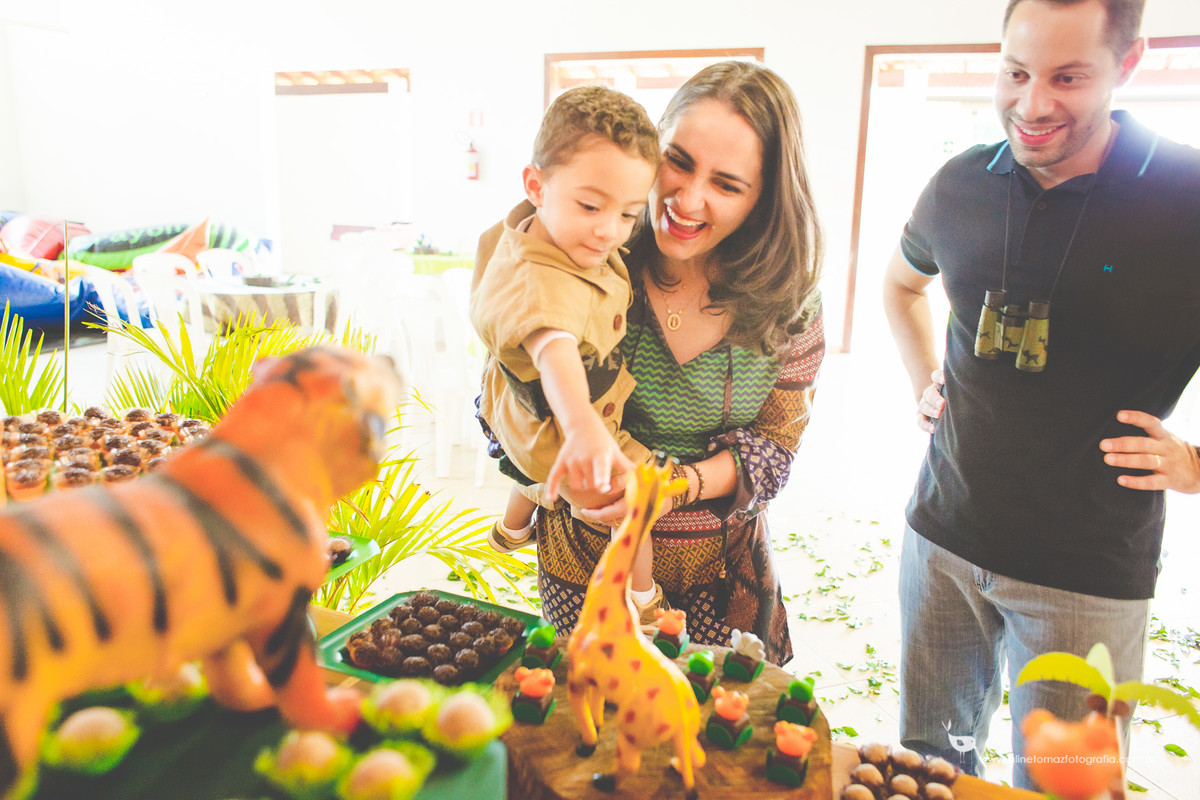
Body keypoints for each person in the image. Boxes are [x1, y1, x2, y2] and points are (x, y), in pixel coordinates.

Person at [882, 0, 1200, 788]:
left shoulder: (1187, 202)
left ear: (1128, 66)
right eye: (1015, 73)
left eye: (1067, 78)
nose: (1031, 105)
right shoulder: (960, 182)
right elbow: (900, 285)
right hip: (941, 546)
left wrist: (1196, 464)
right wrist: (926, 375)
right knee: (929, 767)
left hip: (1085, 578)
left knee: (1065, 789)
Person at [482, 60, 825, 665]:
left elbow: (775, 450)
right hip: (581, 564)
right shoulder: (583, 253)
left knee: (709, 735)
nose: (687, 200)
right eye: (679, 161)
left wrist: (673, 487)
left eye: (727, 185)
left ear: (764, 199)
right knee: (592, 720)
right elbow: (503, 395)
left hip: (724, 571)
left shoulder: (789, 303)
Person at [470, 85, 667, 622]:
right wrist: (583, 427)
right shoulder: (540, 285)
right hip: (563, 421)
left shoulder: (530, 230)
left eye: (629, 214)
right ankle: (644, 598)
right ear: (536, 184)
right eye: (589, 205)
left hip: (521, 412)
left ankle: (511, 528)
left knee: (529, 462)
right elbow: (554, 348)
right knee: (638, 493)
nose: (609, 231)